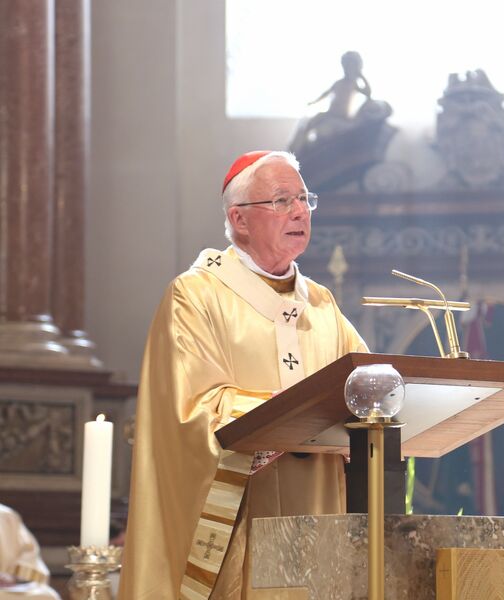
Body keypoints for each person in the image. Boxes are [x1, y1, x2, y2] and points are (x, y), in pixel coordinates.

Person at [119, 151, 367, 600]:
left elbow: (366, 387)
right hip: (238, 521)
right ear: (240, 219)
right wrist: (283, 416)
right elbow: (187, 411)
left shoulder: (322, 305)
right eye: (280, 200)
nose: (298, 211)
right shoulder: (195, 297)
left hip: (315, 517)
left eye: (304, 198)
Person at [0, 504, 60, 599]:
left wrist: (13, 576)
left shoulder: (5, 515)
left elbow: (29, 552)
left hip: (5, 588)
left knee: (47, 596)